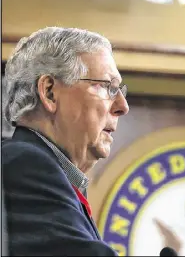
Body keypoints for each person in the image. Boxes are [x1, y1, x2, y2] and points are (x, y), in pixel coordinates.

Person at [2, 27, 129, 256]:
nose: (122, 106)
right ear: (49, 92)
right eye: (108, 87)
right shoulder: (24, 164)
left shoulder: (52, 174)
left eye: (120, 90)